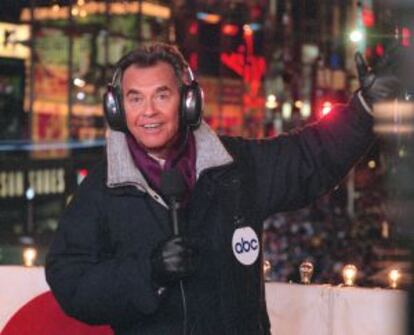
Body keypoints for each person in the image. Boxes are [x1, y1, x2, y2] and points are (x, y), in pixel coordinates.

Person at [45, 42, 401, 335]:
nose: (148, 112)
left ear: (188, 101)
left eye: (161, 96)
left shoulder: (236, 166)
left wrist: (365, 110)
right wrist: (148, 272)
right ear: (117, 109)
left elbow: (310, 157)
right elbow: (70, 280)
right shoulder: (103, 186)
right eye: (135, 98)